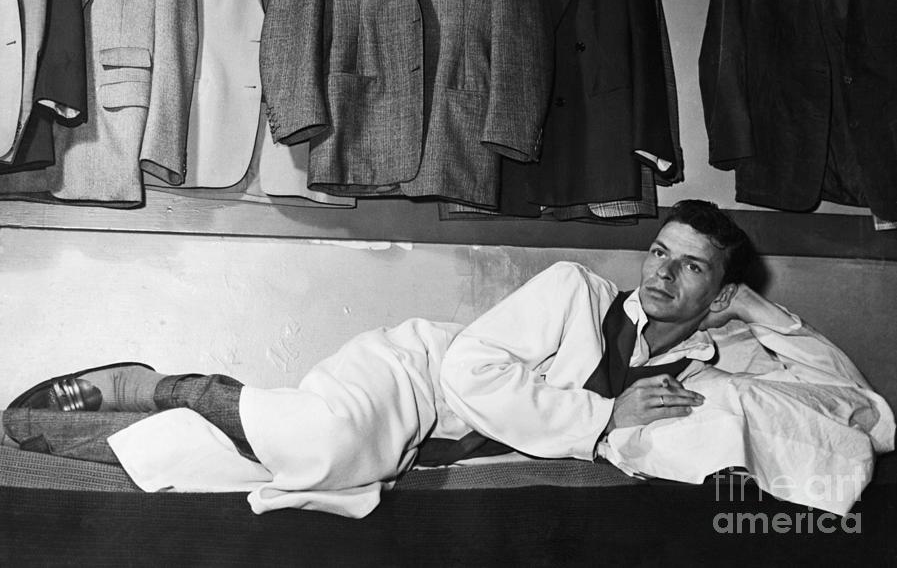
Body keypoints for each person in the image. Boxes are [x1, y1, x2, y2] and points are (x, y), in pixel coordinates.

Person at [7, 200, 894, 518]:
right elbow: (474, 372)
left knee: (238, 472)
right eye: (658, 252)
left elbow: (841, 392)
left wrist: (757, 304)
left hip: (448, 442)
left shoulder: (717, 352)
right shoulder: (573, 288)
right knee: (319, 443)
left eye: (691, 265)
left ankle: (110, 425)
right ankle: (167, 382)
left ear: (717, 287)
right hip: (418, 375)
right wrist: (601, 419)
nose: (661, 272)